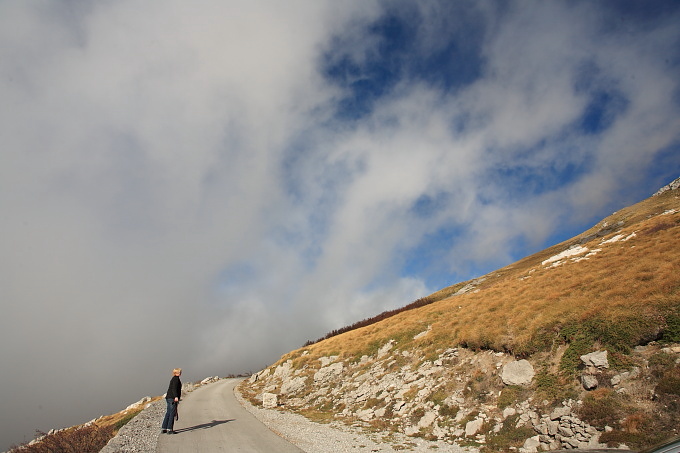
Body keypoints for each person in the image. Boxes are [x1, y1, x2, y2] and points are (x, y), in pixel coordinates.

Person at [161, 368, 182, 434]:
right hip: (172, 398)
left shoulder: (174, 379)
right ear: (176, 373)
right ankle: (169, 429)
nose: (180, 373)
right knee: (172, 413)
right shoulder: (176, 379)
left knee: (168, 413)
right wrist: (176, 397)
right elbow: (174, 389)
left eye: (180, 372)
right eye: (179, 372)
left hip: (168, 397)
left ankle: (164, 428)